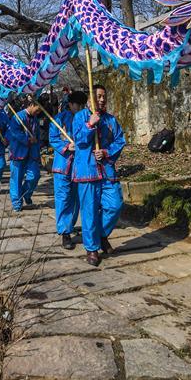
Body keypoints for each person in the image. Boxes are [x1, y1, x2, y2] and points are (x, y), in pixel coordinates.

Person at [72, 84, 127, 266]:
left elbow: (120, 140)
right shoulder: (80, 117)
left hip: (107, 170)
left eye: (104, 96)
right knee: (89, 211)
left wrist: (106, 152)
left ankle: (102, 234)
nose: (102, 100)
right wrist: (90, 124)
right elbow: (79, 140)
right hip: (87, 170)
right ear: (90, 99)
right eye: (98, 96)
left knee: (115, 205)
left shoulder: (111, 120)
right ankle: (92, 248)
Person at [50, 90, 87, 249]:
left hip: (79, 166)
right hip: (63, 165)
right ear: (70, 104)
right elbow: (53, 139)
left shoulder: (86, 118)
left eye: (82, 105)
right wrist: (66, 146)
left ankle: (70, 225)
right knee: (63, 198)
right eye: (77, 105)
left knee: (77, 199)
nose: (80, 108)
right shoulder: (59, 119)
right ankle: (64, 232)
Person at [7, 97, 41, 212]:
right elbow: (14, 132)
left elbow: (37, 134)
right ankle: (17, 203)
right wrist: (27, 139)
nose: (39, 111)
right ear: (31, 105)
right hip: (18, 152)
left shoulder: (35, 118)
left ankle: (26, 194)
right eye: (38, 108)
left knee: (34, 176)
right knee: (16, 178)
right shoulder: (17, 117)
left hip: (32, 153)